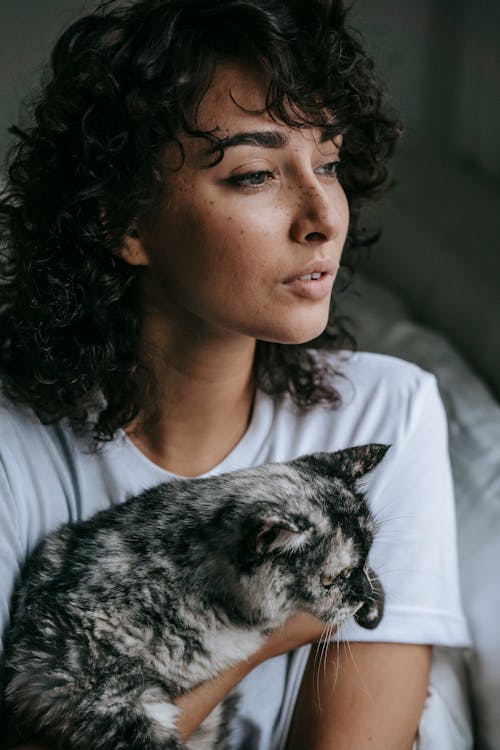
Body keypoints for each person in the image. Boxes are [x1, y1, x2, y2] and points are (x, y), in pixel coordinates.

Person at [0, 0, 470, 748]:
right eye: (255, 175)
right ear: (122, 222)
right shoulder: (14, 447)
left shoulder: (385, 412)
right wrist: (274, 633)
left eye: (328, 164)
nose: (322, 217)